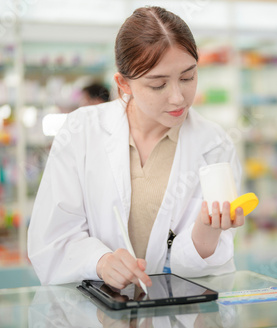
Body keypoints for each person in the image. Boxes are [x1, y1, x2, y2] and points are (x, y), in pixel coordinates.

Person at [27, 6, 244, 290]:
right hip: (95, 317)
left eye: (188, 77)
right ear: (122, 84)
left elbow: (207, 270)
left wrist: (205, 234)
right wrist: (100, 261)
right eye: (158, 85)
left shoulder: (214, 145)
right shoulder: (82, 130)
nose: (178, 97)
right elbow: (52, 239)